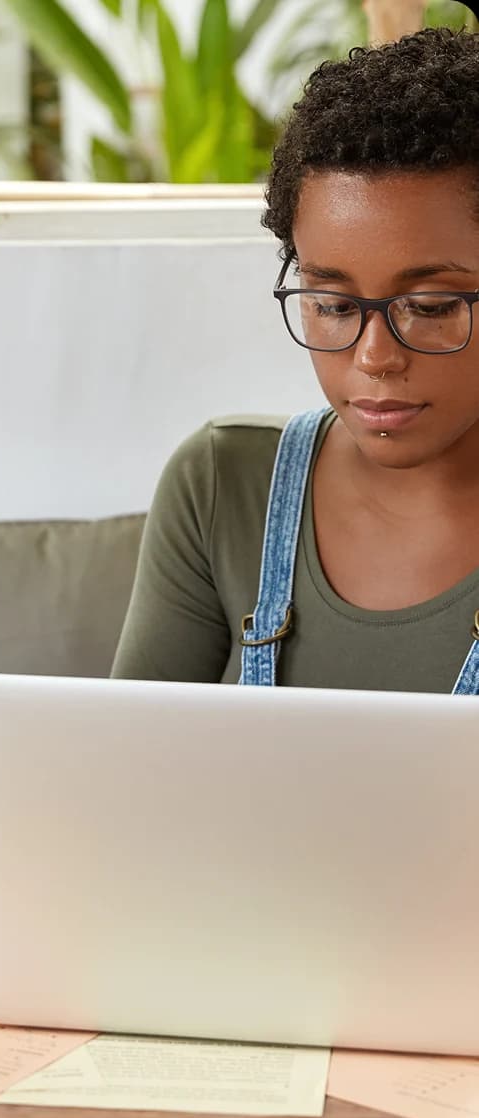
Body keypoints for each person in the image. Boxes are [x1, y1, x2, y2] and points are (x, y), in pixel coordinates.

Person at [113, 27, 478, 695]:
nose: (374, 357)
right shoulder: (221, 488)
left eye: (428, 307)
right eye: (333, 305)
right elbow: (118, 771)